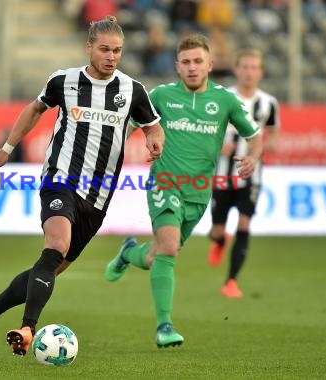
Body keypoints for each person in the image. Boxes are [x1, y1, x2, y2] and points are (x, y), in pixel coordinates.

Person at [0, 15, 165, 355]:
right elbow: (34, 109)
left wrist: (154, 141)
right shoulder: (64, 81)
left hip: (99, 196)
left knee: (50, 266)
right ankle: (28, 328)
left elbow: (152, 126)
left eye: (117, 50)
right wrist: (7, 148)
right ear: (89, 48)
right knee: (56, 243)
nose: (111, 56)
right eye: (104, 49)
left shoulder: (133, 90)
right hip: (61, 179)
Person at [104, 33, 263, 347]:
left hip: (200, 193)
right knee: (168, 248)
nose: (192, 67)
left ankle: (127, 252)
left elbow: (255, 135)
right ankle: (164, 327)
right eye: (186, 62)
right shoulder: (161, 96)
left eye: (198, 61)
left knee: (158, 254)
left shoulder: (226, 100)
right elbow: (127, 128)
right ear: (177, 66)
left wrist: (253, 159)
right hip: (164, 183)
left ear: (210, 65)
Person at [207, 48, 280, 298]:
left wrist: (267, 146)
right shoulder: (221, 97)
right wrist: (217, 146)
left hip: (252, 175)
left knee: (245, 223)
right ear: (237, 70)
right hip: (221, 172)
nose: (249, 72)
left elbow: (274, 130)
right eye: (245, 67)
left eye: (254, 67)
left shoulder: (268, 103)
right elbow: (206, 129)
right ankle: (218, 241)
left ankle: (230, 282)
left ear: (260, 72)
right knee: (217, 229)